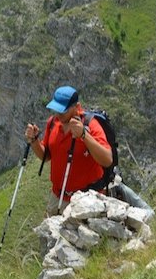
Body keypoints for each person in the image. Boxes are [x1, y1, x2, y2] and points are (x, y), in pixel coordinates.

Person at [24, 85, 113, 215]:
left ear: (76, 107)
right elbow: (46, 156)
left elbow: (107, 160)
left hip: (87, 201)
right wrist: (34, 141)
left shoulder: (91, 125)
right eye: (56, 110)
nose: (58, 114)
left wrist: (84, 135)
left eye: (63, 111)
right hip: (58, 197)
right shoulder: (53, 123)